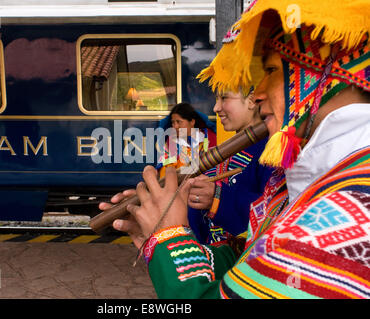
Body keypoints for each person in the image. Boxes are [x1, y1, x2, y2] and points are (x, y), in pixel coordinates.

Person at [103, 0, 370, 298]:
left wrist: (169, 239)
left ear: (320, 76)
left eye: (271, 70)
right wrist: (161, 236)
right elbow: (251, 259)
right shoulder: (322, 180)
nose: (258, 94)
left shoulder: (350, 207)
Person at [187, 88, 273, 248]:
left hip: (247, 264)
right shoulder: (219, 154)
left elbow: (275, 214)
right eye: (216, 99)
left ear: (252, 100)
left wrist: (218, 197)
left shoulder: (272, 152)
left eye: (224, 98)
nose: (216, 108)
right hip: (212, 261)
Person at [155, 102, 217, 179]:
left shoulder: (210, 138)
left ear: (192, 122)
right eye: (173, 122)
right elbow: (165, 169)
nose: (175, 126)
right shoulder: (172, 141)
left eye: (179, 122)